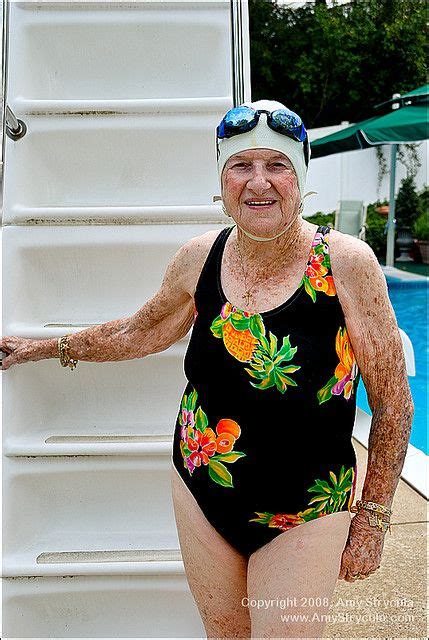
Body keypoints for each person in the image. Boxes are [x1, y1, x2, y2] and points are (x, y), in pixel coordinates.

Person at [1, 99, 414, 639]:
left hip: (308, 504)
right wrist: (46, 348)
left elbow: (392, 403)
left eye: (277, 165)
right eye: (241, 166)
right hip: (204, 489)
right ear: (222, 180)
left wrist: (374, 519)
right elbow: (139, 331)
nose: (258, 182)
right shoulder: (201, 258)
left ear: (301, 177)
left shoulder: (346, 265)